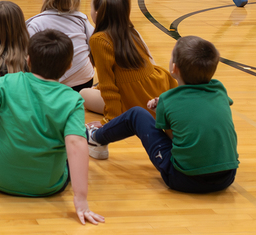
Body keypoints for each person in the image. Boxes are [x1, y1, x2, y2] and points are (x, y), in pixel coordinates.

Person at [0, 30, 104, 225]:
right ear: (68, 66)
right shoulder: (72, 99)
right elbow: (75, 144)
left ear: (28, 60)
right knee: (76, 134)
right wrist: (81, 199)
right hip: (48, 185)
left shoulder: (10, 81)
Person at [86, 36, 238, 193]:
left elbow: (172, 140)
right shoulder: (220, 90)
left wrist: (163, 110)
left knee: (136, 114)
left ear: (174, 69)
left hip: (183, 179)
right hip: (226, 177)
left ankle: (95, 138)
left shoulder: (168, 99)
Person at [81, 0, 176, 120]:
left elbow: (107, 84)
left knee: (83, 94)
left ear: (97, 13)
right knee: (95, 89)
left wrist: (110, 120)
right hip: (158, 87)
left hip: (135, 100)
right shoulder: (131, 30)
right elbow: (150, 61)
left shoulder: (98, 40)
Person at [25, 0, 94, 91]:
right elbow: (93, 43)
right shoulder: (82, 20)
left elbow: (26, 52)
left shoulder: (36, 23)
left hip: (48, 84)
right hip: (83, 82)